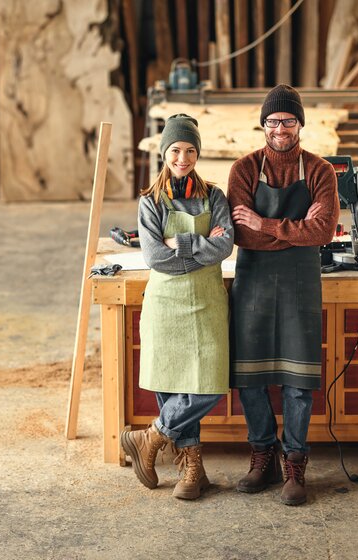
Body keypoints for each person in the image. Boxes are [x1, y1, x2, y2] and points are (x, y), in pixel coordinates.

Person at [227, 84, 339, 506]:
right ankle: (263, 456)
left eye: (288, 121)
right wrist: (295, 230)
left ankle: (295, 462)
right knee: (249, 379)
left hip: (299, 284)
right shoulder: (242, 170)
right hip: (253, 281)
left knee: (298, 382)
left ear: (299, 125)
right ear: (263, 125)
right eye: (273, 121)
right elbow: (240, 236)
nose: (280, 129)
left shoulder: (320, 172)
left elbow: (323, 232)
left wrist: (266, 224)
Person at [120, 114, 234, 500]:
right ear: (164, 153)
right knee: (173, 388)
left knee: (210, 387)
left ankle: (150, 437)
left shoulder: (215, 197)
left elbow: (226, 245)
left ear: (197, 152)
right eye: (175, 150)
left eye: (189, 150)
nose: (182, 157)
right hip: (166, 306)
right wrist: (199, 247)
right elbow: (154, 257)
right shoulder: (150, 202)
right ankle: (191, 469)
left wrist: (179, 245)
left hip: (206, 303)